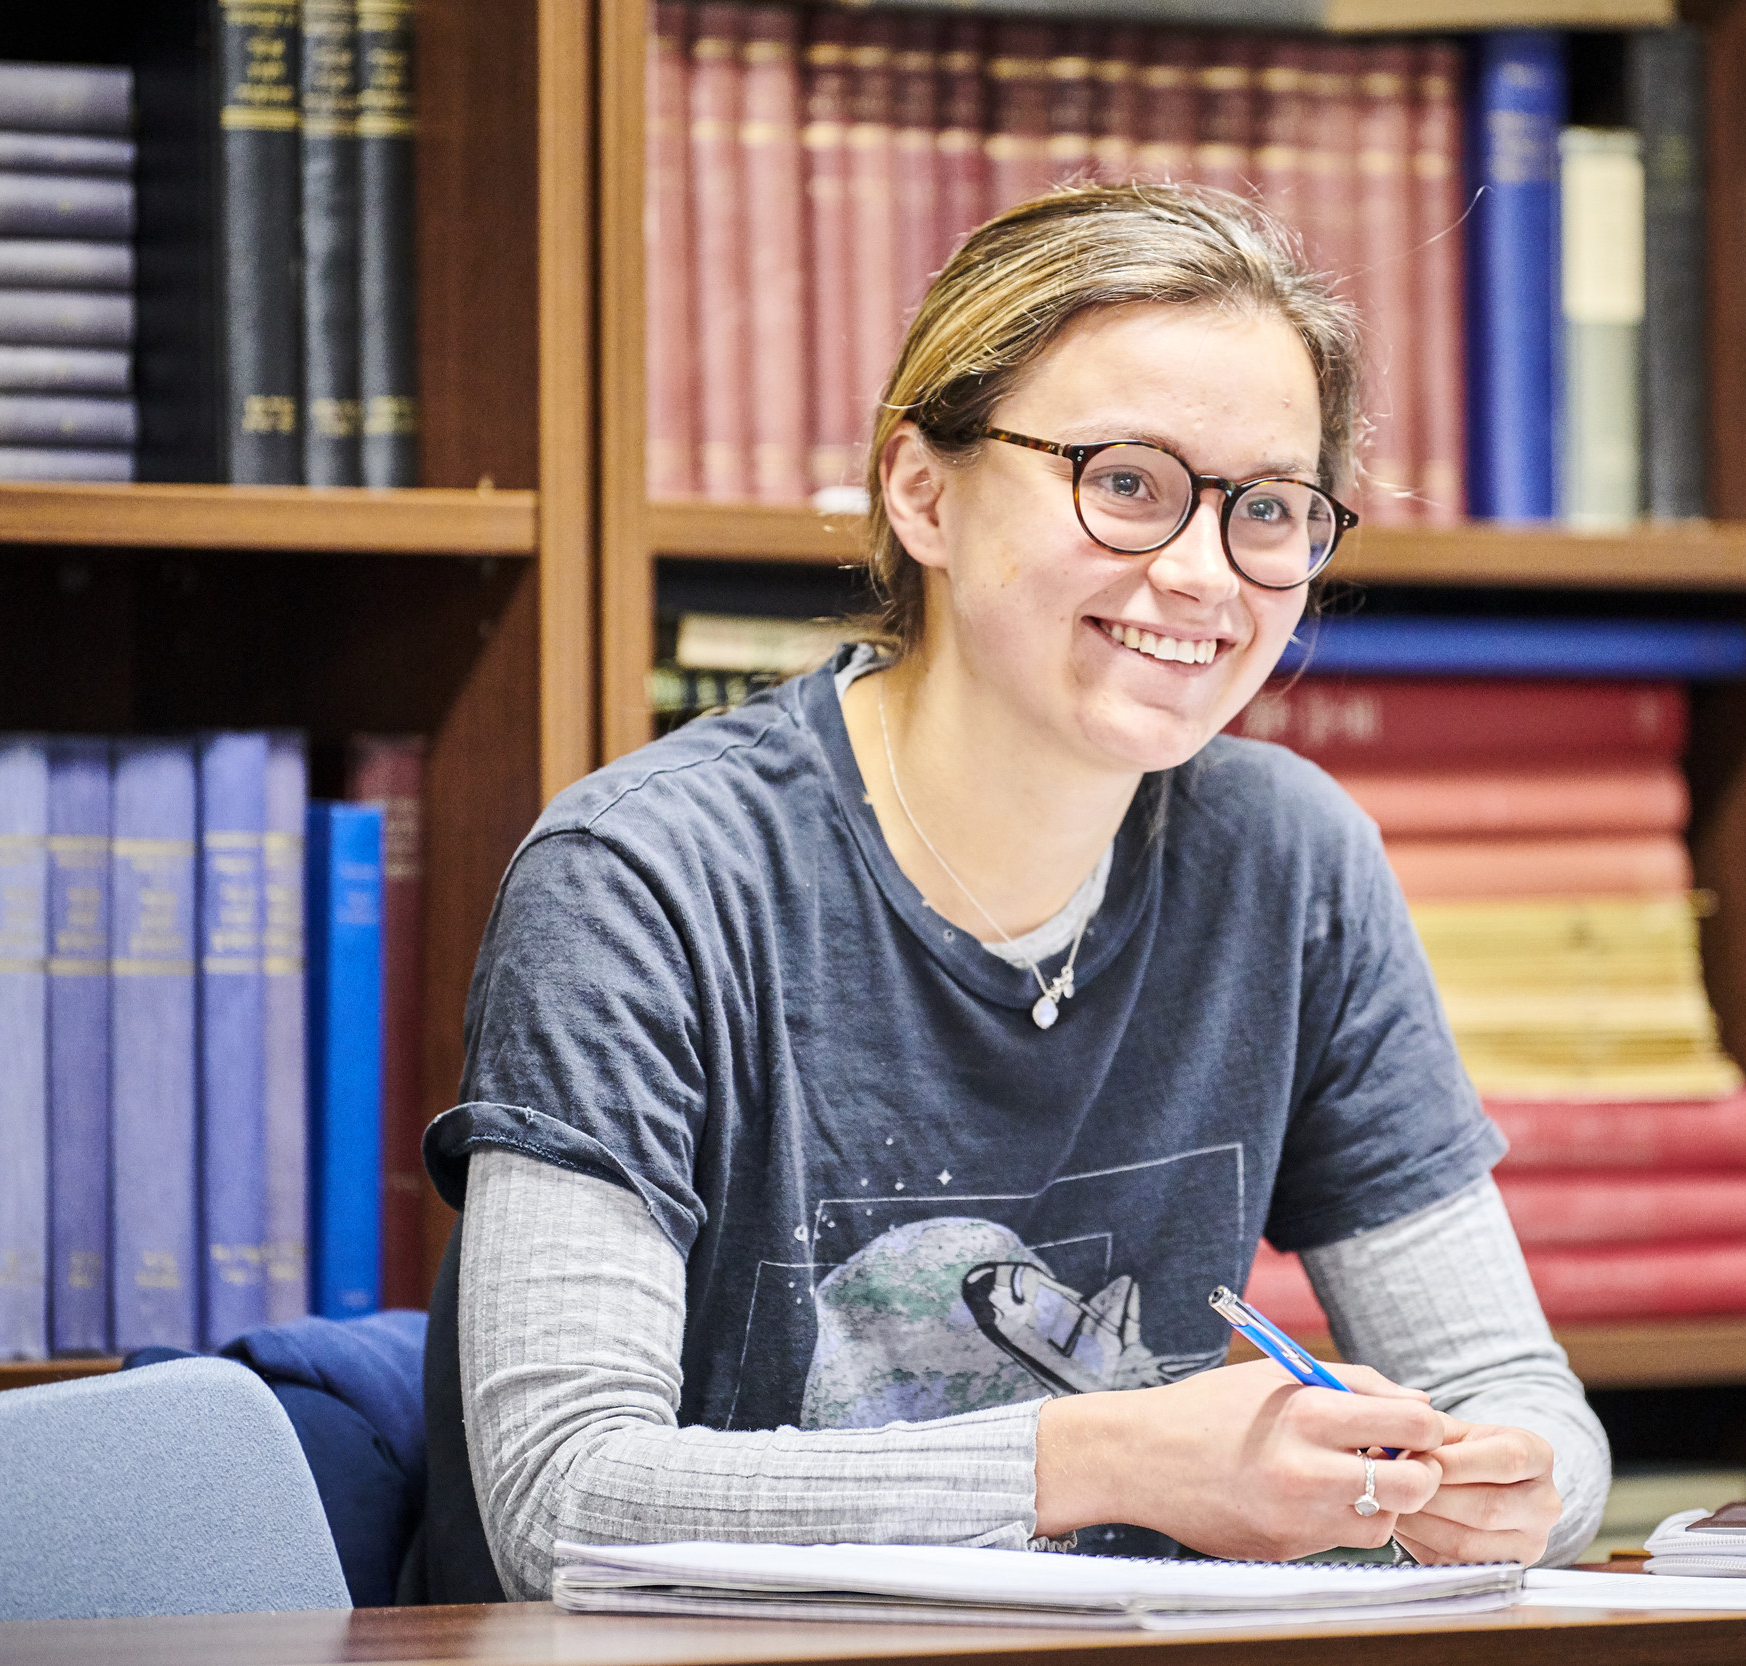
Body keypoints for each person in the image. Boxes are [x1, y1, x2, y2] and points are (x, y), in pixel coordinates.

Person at [408, 183, 1610, 1604]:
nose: (1198, 573)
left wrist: (1497, 1477)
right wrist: (1111, 1458)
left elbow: (1529, 1402)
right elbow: (566, 1496)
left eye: (1270, 509)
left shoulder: (1292, 863)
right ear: (921, 489)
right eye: (1124, 481)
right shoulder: (643, 884)